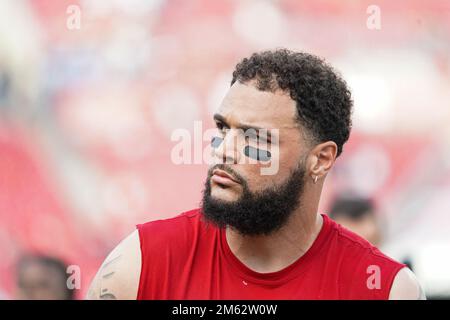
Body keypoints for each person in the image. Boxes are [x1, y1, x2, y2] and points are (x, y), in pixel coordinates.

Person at [87, 49, 425, 300]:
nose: (225, 149)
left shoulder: (386, 289)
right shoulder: (142, 262)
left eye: (255, 137)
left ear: (320, 159)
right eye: (223, 127)